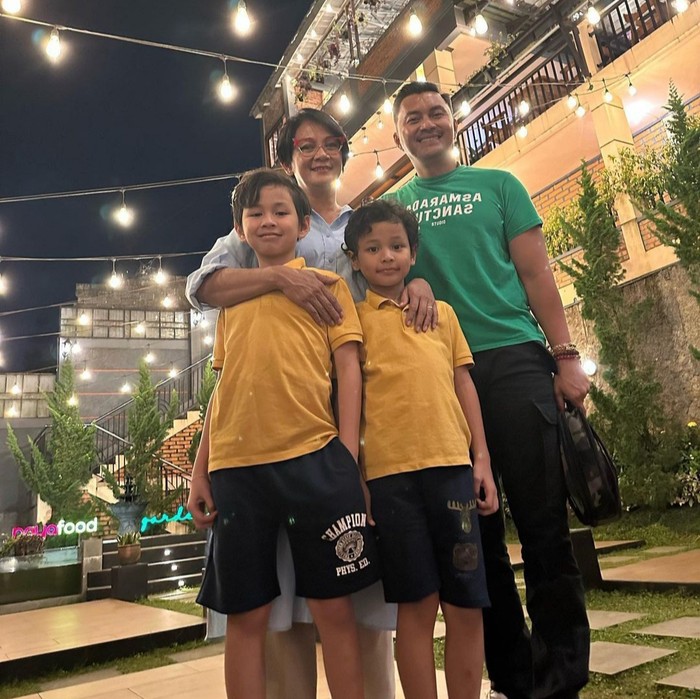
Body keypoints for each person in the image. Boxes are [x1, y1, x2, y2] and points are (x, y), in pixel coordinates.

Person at [186, 108, 436, 699]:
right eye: (306, 145)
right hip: (250, 449)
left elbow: (389, 284)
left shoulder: (364, 221)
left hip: (331, 439)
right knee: (265, 611)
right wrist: (202, 466)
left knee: (349, 598)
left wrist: (417, 281)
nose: (320, 153)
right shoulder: (245, 258)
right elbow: (205, 294)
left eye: (331, 143)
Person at [387, 81, 591, 699]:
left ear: (453, 120)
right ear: (397, 134)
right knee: (477, 532)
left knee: (543, 522)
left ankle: (563, 671)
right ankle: (513, 672)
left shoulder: (500, 185)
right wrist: (412, 285)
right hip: (444, 374)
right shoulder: (395, 206)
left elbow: (536, 274)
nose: (427, 123)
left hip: (515, 359)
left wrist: (565, 356)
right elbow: (386, 272)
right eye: (413, 118)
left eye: (436, 112)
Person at [189, 168, 378, 699]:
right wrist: (201, 469)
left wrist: (347, 457)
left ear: (303, 225)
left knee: (333, 609)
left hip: (315, 459)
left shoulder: (329, 287)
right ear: (240, 229)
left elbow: (348, 370)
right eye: (256, 214)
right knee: (246, 615)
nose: (268, 221)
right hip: (236, 470)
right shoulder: (232, 301)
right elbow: (223, 386)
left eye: (280, 212)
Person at [343, 199, 499, 699]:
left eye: (397, 246)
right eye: (372, 248)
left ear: (413, 254)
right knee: (416, 606)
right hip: (390, 482)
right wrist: (358, 479)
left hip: (453, 471)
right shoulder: (353, 324)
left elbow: (463, 384)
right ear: (354, 260)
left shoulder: (442, 315)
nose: (386, 256)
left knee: (466, 604)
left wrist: (481, 459)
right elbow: (350, 404)